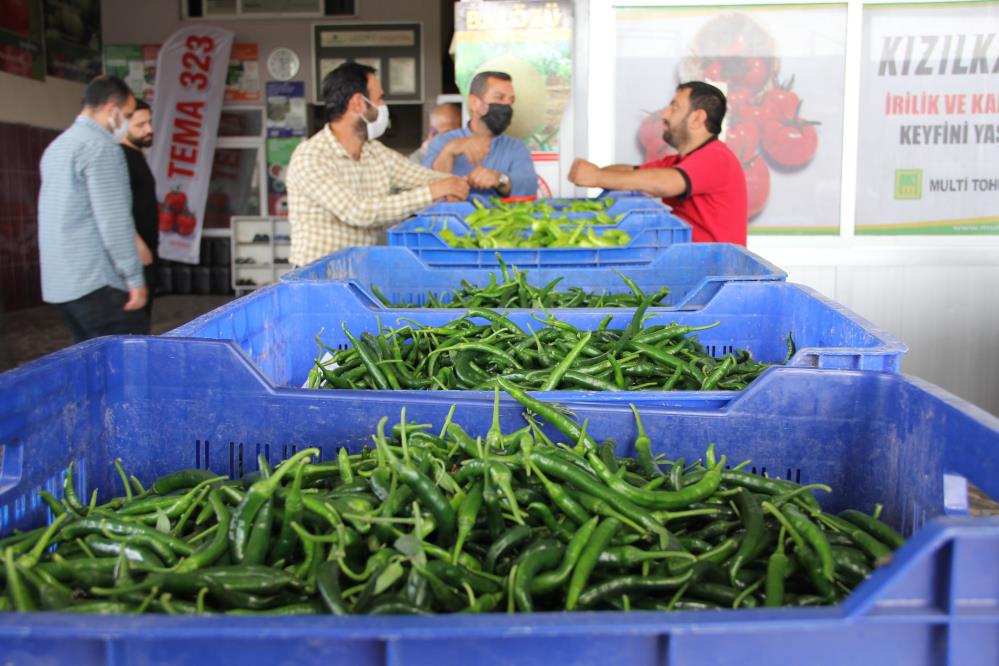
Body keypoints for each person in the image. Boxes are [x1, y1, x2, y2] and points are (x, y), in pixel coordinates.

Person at [286, 62, 468, 267]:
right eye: (379, 98)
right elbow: (358, 212)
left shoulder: (374, 152)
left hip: (358, 270)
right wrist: (433, 192)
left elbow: (419, 176)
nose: (383, 106)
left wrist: (457, 183)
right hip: (316, 275)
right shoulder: (311, 156)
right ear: (358, 103)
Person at [568, 81, 747, 245]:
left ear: (697, 118)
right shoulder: (679, 161)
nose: (664, 113)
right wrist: (595, 171)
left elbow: (664, 184)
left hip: (715, 266)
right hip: (691, 258)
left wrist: (597, 177)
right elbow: (632, 172)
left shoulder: (716, 157)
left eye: (674, 107)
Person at [38, 75, 148, 342]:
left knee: (91, 359)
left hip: (62, 285)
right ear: (112, 109)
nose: (127, 122)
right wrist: (135, 279)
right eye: (128, 115)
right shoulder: (101, 148)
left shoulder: (58, 146)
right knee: (129, 359)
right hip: (98, 281)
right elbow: (114, 220)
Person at [423, 71, 537, 198]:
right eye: (499, 98)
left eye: (511, 100)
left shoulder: (515, 147)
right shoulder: (442, 142)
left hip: (498, 211)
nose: (507, 106)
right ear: (474, 103)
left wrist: (500, 179)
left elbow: (530, 187)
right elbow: (427, 189)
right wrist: (449, 151)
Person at [120, 98, 158, 330]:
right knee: (133, 327)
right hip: (134, 258)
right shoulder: (119, 158)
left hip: (146, 254)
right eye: (140, 125)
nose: (149, 129)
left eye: (150, 122)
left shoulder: (136, 155)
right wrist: (139, 246)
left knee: (143, 323)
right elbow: (115, 208)